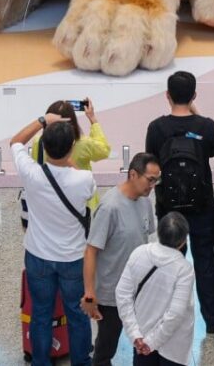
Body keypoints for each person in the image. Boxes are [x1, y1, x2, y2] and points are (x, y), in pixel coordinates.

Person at [11, 113, 97, 366]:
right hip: (72, 259)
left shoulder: (31, 174)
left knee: (40, 314)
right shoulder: (84, 179)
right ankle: (81, 362)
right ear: (72, 147)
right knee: (77, 315)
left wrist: (42, 120)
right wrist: (72, 164)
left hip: (38, 256)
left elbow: (16, 142)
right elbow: (87, 193)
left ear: (44, 147)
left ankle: (40, 362)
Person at [144, 71, 214, 334]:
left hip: (169, 208)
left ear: (167, 95)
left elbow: (151, 164)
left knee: (168, 264)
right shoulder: (206, 126)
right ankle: (212, 321)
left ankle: (166, 321)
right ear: (194, 96)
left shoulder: (156, 128)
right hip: (202, 206)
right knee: (205, 264)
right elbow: (212, 151)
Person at [80, 152, 159, 366]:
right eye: (150, 179)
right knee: (106, 349)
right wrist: (89, 293)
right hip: (111, 295)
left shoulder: (145, 203)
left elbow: (146, 242)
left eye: (156, 180)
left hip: (139, 291)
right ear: (133, 174)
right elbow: (91, 251)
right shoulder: (109, 207)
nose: (153, 185)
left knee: (144, 345)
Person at [116, 212, 195, 366]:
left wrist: (135, 334)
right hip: (173, 347)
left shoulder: (139, 253)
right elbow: (176, 314)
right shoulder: (183, 269)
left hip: (141, 338)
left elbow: (122, 294)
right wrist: (152, 343)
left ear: (159, 232)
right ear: (183, 241)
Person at [28, 98, 111, 210]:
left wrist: (41, 121)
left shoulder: (39, 141)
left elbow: (34, 163)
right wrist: (92, 119)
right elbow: (104, 150)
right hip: (80, 204)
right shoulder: (82, 143)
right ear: (72, 122)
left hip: (48, 202)